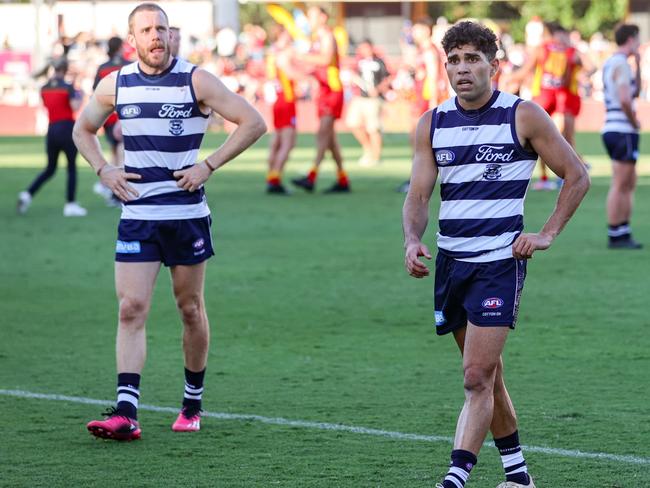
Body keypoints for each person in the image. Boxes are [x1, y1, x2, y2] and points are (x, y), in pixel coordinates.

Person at [402, 21, 589, 488]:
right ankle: (519, 475)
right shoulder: (432, 123)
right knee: (488, 378)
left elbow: (577, 174)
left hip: (498, 263)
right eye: (454, 61)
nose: (462, 69)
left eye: (472, 59)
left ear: (494, 65)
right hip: (451, 262)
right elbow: (420, 196)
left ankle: (455, 475)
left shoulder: (522, 115)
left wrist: (546, 233)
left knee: (475, 376)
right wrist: (411, 238)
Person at [72, 2, 266, 440]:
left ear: (170, 34)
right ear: (133, 39)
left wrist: (208, 165)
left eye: (161, 28)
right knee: (131, 308)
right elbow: (82, 130)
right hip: (138, 217)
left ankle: (192, 403)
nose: (156, 36)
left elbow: (253, 122)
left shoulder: (195, 78)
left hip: (186, 218)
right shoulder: (116, 84)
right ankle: (126, 412)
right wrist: (104, 170)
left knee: (190, 308)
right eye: (147, 30)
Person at [509, 22, 575, 190]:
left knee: (540, 139)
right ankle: (565, 176)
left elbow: (526, 71)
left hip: (543, 97)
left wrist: (509, 78)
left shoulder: (542, 49)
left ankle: (546, 178)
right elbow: (569, 78)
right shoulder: (568, 50)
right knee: (562, 138)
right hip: (559, 96)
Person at [291, 6, 350, 193]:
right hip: (324, 91)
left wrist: (301, 57)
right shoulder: (317, 37)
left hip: (332, 90)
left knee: (323, 134)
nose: (310, 19)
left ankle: (312, 176)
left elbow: (325, 59)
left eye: (313, 15)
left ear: (323, 17)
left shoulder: (326, 35)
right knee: (330, 139)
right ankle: (342, 179)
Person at [17, 59, 87, 217]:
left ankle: (27, 194)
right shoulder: (68, 87)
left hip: (52, 130)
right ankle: (70, 204)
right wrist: (80, 93)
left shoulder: (44, 88)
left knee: (50, 168)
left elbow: (48, 106)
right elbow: (75, 106)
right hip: (67, 129)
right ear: (65, 69)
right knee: (71, 168)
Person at [602, 24, 643, 249]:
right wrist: (634, 121)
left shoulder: (614, 62)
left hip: (615, 128)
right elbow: (627, 99)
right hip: (621, 128)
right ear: (630, 39)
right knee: (620, 182)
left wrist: (636, 62)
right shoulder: (619, 64)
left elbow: (633, 91)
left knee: (628, 182)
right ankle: (616, 232)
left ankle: (622, 230)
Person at [397, 17, 443, 193]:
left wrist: (432, 104)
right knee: (418, 140)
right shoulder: (421, 51)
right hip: (420, 99)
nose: (413, 33)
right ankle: (416, 178)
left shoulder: (429, 51)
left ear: (425, 30)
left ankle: (417, 180)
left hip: (425, 101)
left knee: (419, 140)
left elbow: (432, 78)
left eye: (416, 29)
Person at [92, 37, 129, 205]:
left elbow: (96, 91)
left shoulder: (103, 67)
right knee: (122, 151)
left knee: (115, 150)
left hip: (108, 115)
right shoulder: (129, 65)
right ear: (121, 47)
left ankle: (108, 184)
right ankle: (118, 190)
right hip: (126, 113)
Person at [346, 39, 391, 167]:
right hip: (360, 97)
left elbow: (387, 78)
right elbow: (351, 74)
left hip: (374, 99)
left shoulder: (379, 62)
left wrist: (378, 89)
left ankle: (376, 156)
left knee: (373, 128)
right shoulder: (358, 62)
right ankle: (368, 149)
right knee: (352, 122)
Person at [266, 24, 299, 194]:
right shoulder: (283, 53)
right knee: (288, 142)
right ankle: (275, 178)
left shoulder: (272, 52)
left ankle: (271, 175)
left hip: (277, 100)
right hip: (287, 100)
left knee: (277, 140)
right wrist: (307, 76)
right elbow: (291, 73)